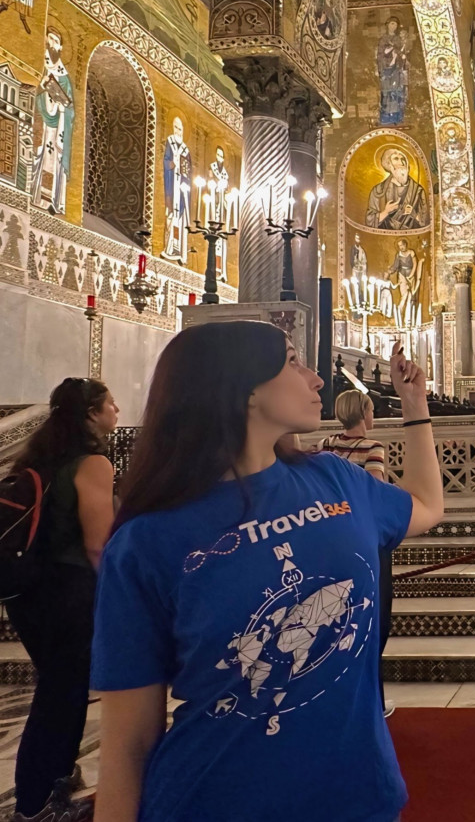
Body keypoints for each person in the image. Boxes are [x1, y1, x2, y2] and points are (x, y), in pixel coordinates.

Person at [91, 323, 445, 822]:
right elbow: (128, 741)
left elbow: (426, 505)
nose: (315, 378)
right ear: (247, 389)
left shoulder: (333, 479)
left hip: (357, 795)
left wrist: (415, 405)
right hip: (216, 800)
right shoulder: (148, 541)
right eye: (293, 361)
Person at [7, 378, 118, 822]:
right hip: (69, 595)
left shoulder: (41, 458)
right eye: (110, 404)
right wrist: (118, 597)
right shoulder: (92, 463)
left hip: (29, 594)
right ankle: (37, 803)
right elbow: (98, 544)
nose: (117, 410)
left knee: (56, 692)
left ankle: (51, 783)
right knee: (63, 698)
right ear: (91, 413)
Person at [321, 389, 395, 718]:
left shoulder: (323, 446)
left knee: (337, 625)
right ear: (365, 413)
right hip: (365, 541)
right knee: (373, 622)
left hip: (330, 541)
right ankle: (372, 703)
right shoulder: (372, 448)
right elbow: (374, 493)